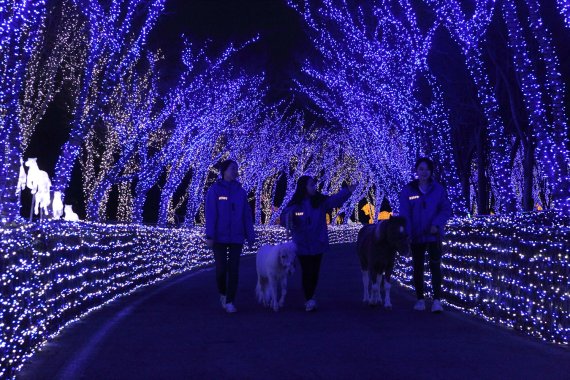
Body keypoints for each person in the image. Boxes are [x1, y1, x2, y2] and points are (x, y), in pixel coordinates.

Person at [281, 176, 356, 311]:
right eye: (311, 185)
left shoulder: (320, 202)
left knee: (314, 272)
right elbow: (285, 216)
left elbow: (335, 200)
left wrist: (347, 191)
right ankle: (309, 298)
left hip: (317, 243)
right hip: (302, 244)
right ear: (304, 187)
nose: (314, 187)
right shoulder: (295, 204)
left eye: (314, 185)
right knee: (307, 271)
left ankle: (311, 295)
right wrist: (288, 218)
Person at [399, 157, 452, 313]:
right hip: (416, 236)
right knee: (418, 267)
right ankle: (420, 299)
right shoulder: (408, 190)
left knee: (435, 266)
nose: (423, 172)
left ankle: (437, 300)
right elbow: (405, 213)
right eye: (421, 169)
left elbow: (445, 209)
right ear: (416, 171)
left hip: (433, 235)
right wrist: (408, 233)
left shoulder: (438, 190)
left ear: (431, 171)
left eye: (426, 169)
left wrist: (437, 224)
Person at [205, 160, 255, 313]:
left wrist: (250, 235)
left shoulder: (240, 191)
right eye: (232, 168)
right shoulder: (214, 190)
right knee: (221, 270)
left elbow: (246, 215)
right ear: (224, 170)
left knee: (234, 270)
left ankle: (230, 301)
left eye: (236, 169)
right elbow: (211, 213)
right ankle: (223, 292)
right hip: (219, 237)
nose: (235, 171)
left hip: (236, 237)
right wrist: (209, 235)